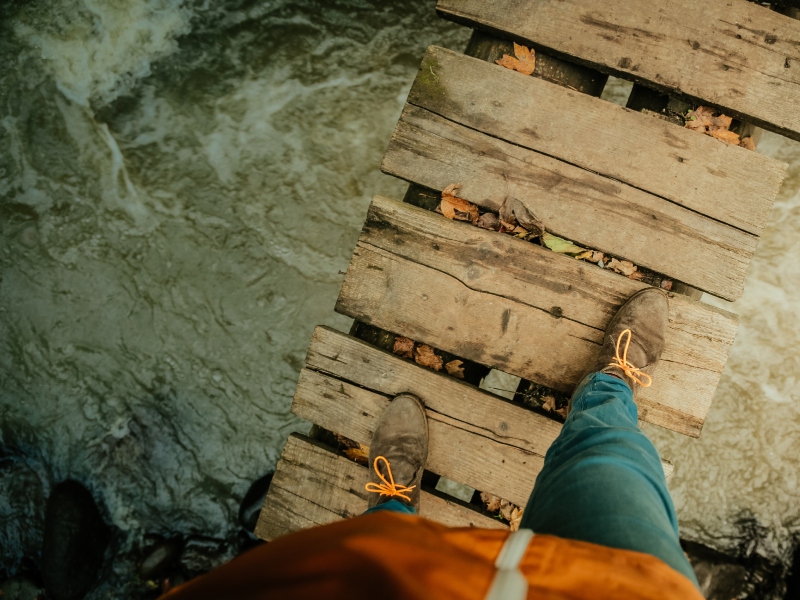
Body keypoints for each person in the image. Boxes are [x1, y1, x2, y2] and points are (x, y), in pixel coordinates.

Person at [162, 288, 703, 599]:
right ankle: (610, 385)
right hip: (625, 589)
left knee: (380, 550)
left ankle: (392, 508)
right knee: (609, 454)